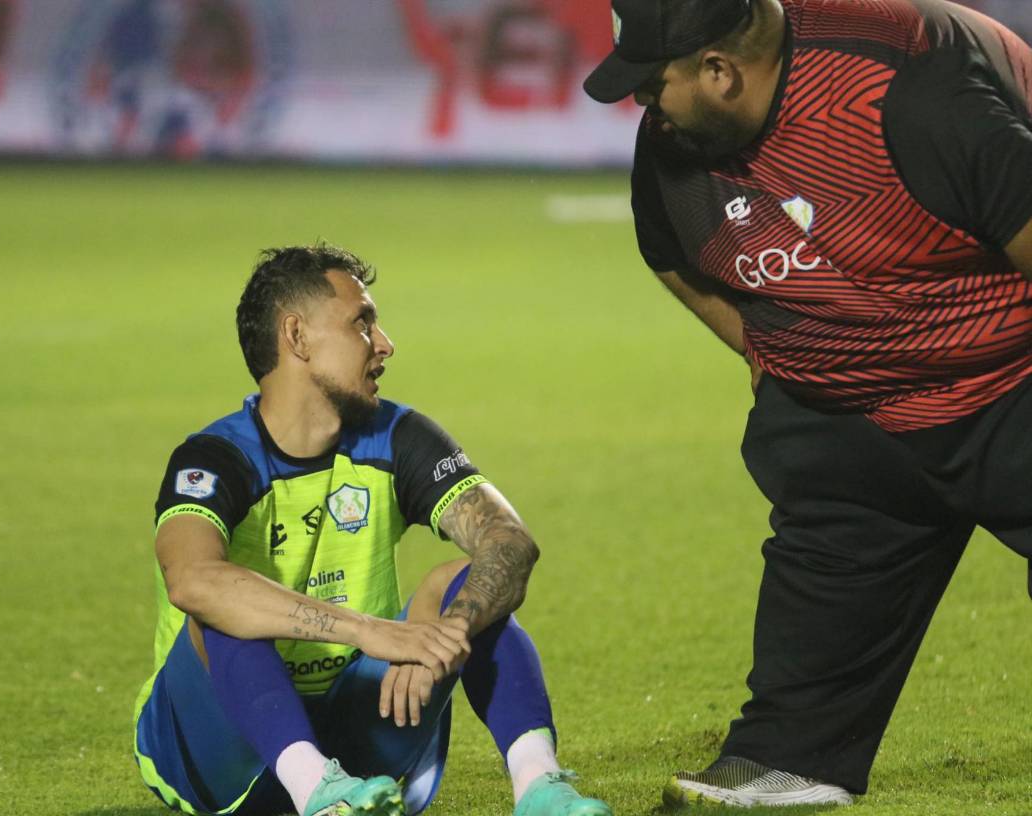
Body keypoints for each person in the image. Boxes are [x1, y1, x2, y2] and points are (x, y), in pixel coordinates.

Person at [582, 0, 1032, 808]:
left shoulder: (911, 92)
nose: (642, 105)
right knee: (831, 521)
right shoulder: (678, 144)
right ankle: (794, 759)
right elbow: (671, 256)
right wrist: (766, 351)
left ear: (720, 72)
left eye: (654, 85)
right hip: (852, 403)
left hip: (1010, 376)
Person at [132, 244, 614, 816]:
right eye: (362, 323)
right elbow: (192, 581)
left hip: (363, 729)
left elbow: (510, 541)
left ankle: (540, 787)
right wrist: (371, 633)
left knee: (471, 583)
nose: (385, 344)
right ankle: (315, 790)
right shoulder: (215, 459)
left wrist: (445, 634)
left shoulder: (397, 436)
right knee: (223, 604)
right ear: (297, 337)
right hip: (220, 752)